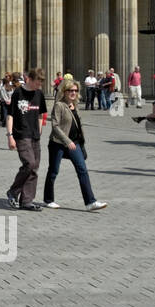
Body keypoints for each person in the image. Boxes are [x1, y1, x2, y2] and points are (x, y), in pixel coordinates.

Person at [42, 79, 106, 211]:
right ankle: (48, 199)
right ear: (64, 91)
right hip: (58, 143)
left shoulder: (74, 105)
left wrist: (80, 141)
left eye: (75, 91)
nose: (73, 93)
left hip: (75, 143)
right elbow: (55, 126)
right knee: (53, 171)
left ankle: (90, 202)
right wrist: (67, 141)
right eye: (70, 90)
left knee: (82, 169)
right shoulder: (59, 105)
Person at [5, 68, 46, 211]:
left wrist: (39, 130)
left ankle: (26, 201)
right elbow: (10, 116)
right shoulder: (18, 93)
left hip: (35, 135)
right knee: (29, 163)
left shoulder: (39, 94)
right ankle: (13, 191)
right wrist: (10, 136)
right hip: (21, 134)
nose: (39, 86)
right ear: (30, 79)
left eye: (41, 83)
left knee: (34, 168)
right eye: (37, 82)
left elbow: (41, 115)